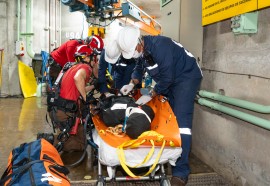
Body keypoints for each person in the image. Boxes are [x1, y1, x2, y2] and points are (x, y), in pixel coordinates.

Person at [117, 26, 203, 186]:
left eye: (134, 49)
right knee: (167, 117)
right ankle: (170, 154)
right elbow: (139, 67)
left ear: (139, 41)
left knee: (181, 122)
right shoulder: (143, 51)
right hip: (171, 80)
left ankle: (181, 171)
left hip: (186, 77)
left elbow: (167, 78)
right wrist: (132, 83)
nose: (134, 53)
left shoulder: (160, 46)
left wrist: (151, 93)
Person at [48, 43, 103, 151]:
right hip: (64, 112)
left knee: (81, 132)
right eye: (93, 58)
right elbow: (78, 79)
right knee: (82, 144)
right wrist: (85, 99)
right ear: (87, 57)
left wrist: (93, 86)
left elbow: (78, 87)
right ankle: (47, 142)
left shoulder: (73, 67)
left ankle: (60, 138)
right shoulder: (86, 67)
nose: (94, 61)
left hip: (57, 109)